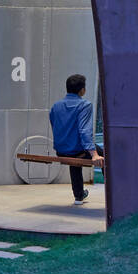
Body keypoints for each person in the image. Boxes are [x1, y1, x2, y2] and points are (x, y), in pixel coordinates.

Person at [49, 73, 102, 205]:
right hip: (76, 150)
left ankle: (79, 196)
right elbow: (85, 131)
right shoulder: (85, 105)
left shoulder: (56, 106)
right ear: (82, 90)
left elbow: (54, 124)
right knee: (106, 156)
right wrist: (94, 155)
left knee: (75, 154)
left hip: (61, 151)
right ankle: (113, 195)